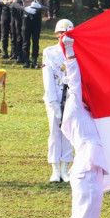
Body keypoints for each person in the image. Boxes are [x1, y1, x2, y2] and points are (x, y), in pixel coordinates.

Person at [59, 35, 110, 218]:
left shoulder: (81, 113)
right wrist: (70, 53)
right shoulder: (75, 109)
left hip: (86, 169)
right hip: (87, 170)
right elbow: (75, 82)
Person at [43, 20, 75, 183]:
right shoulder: (49, 52)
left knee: (69, 133)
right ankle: (55, 168)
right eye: (62, 33)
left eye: (68, 34)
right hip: (54, 96)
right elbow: (47, 78)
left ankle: (65, 168)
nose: (65, 37)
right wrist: (54, 102)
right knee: (55, 133)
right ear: (57, 34)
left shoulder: (76, 52)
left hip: (71, 97)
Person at [11, 0, 48, 68]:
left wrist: (40, 6)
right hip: (26, 18)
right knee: (25, 41)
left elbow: (47, 7)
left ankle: (34, 60)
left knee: (35, 41)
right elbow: (15, 3)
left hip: (36, 19)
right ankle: (26, 60)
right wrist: (24, 8)